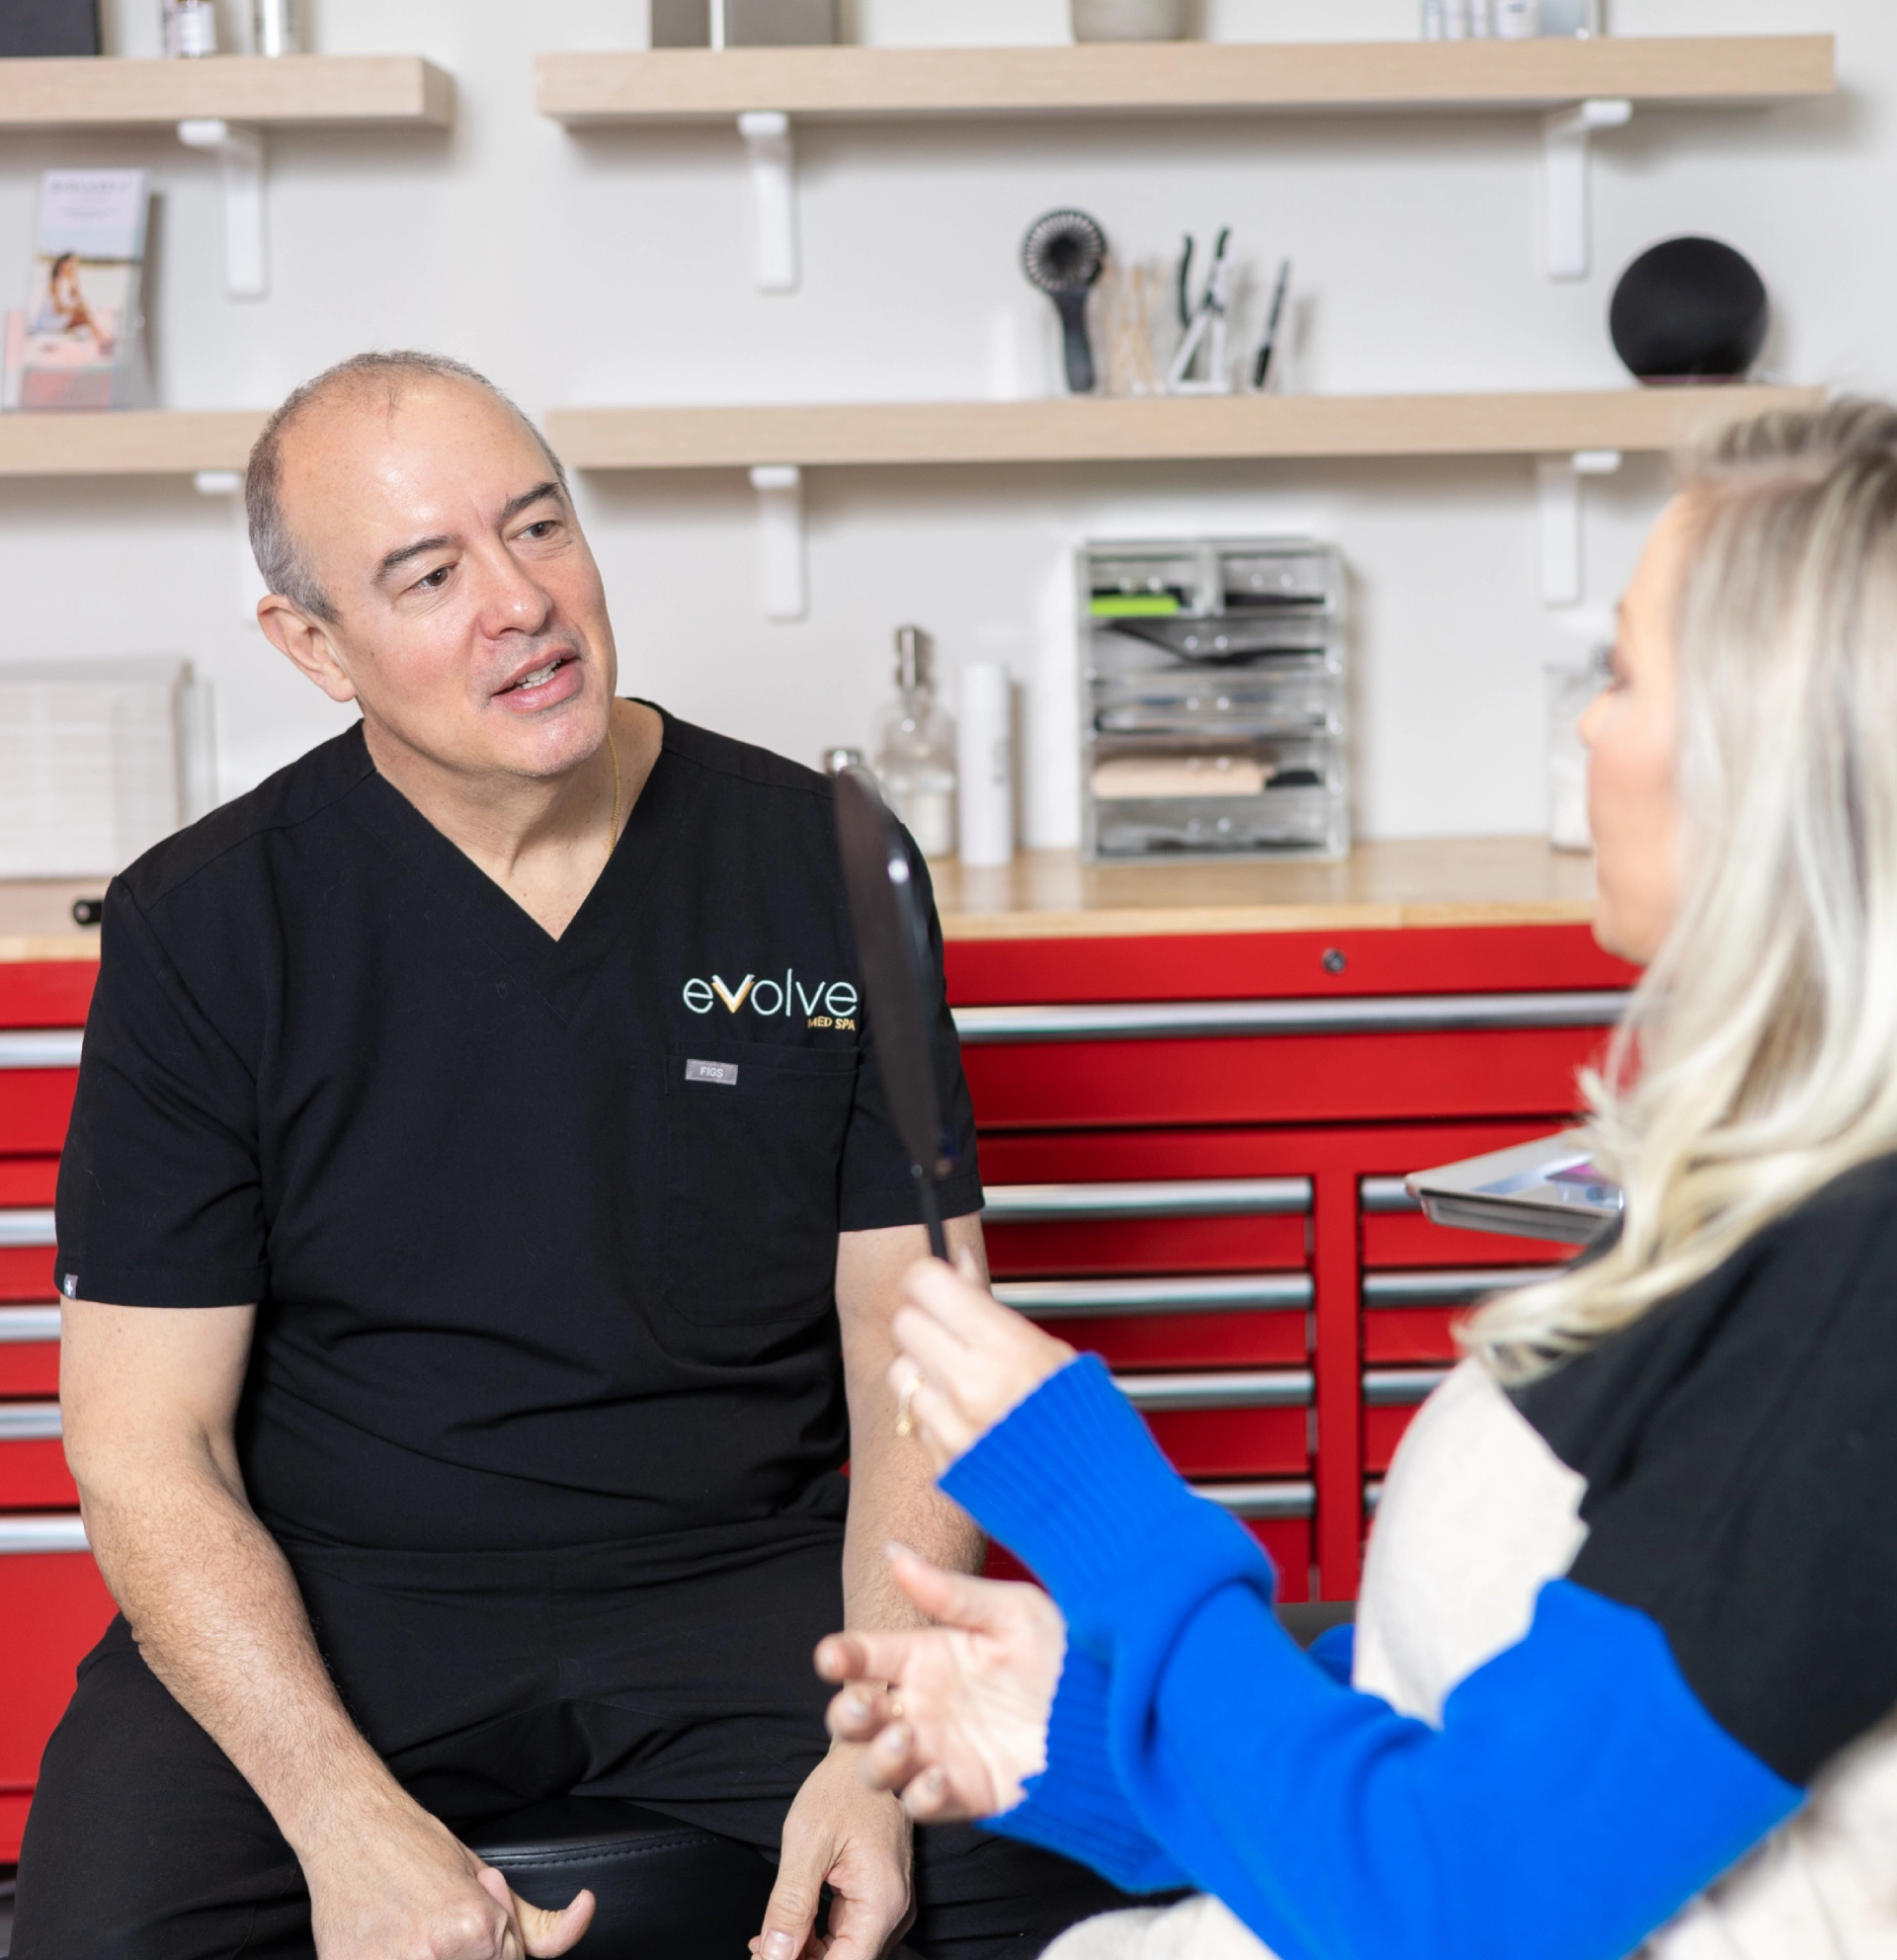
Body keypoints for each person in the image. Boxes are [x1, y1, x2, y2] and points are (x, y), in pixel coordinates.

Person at [12, 351, 1136, 1960]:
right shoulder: (208, 925)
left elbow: (918, 1328)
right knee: (103, 1939)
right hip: (345, 1590)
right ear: (312, 645)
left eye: (538, 528)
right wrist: (345, 1824)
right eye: (430, 572)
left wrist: (874, 1741)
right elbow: (143, 1448)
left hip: (747, 1577)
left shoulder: (821, 859)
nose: (518, 602)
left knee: (1084, 1874)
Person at [818, 399, 1897, 1960]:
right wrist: (1092, 1729)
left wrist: (1109, 1508)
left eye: (1624, 672)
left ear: (1773, 764)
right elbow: (1508, 1763)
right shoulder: (1774, 1221)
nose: (1588, 728)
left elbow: (1458, 1912)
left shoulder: (1854, 1302)